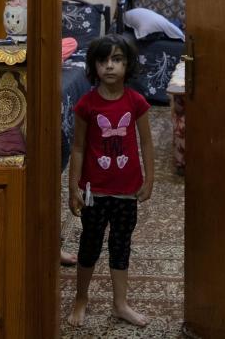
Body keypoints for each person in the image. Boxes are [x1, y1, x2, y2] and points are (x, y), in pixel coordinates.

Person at [67, 34, 153, 328]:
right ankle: (81, 298)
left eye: (117, 59)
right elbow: (77, 148)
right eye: (103, 60)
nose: (110, 66)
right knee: (89, 245)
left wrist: (149, 179)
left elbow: (146, 144)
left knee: (121, 244)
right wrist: (72, 187)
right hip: (94, 191)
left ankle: (120, 304)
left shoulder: (136, 102)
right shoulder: (86, 105)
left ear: (127, 65)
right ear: (94, 66)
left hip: (127, 191)